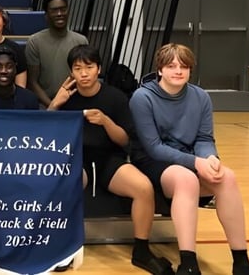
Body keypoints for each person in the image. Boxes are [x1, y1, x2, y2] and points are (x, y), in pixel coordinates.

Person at [130, 44, 249, 275]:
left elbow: (204, 137)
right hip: (153, 160)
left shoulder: (200, 97)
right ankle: (188, 263)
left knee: (227, 177)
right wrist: (196, 163)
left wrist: (209, 157)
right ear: (160, 70)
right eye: (171, 66)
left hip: (189, 156)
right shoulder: (142, 97)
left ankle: (241, 262)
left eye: (184, 66)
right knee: (187, 180)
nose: (178, 71)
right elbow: (154, 147)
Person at [48, 45, 172, 275]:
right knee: (65, 185)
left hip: (109, 159)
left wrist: (106, 121)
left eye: (89, 67)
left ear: (99, 69)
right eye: (78, 68)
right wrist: (55, 103)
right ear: (71, 73)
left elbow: (125, 140)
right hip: (77, 159)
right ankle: (63, 247)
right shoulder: (66, 97)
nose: (84, 73)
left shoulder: (114, 97)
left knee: (143, 187)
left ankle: (142, 250)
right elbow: (43, 133)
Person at [26, 0, 88, 107]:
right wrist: (53, 106)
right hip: (45, 104)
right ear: (46, 15)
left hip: (75, 101)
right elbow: (32, 82)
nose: (59, 14)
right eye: (54, 10)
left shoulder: (81, 41)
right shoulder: (35, 42)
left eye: (63, 9)